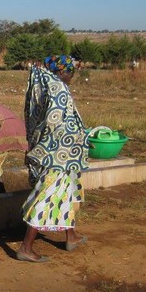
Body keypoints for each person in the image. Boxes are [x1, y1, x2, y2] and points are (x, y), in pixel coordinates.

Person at [17, 55, 89, 263]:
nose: (72, 75)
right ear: (60, 72)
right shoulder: (58, 89)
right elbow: (55, 122)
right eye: (70, 71)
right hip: (59, 155)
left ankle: (71, 236)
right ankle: (26, 247)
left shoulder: (47, 84)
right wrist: (77, 136)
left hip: (63, 154)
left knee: (67, 193)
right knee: (48, 196)